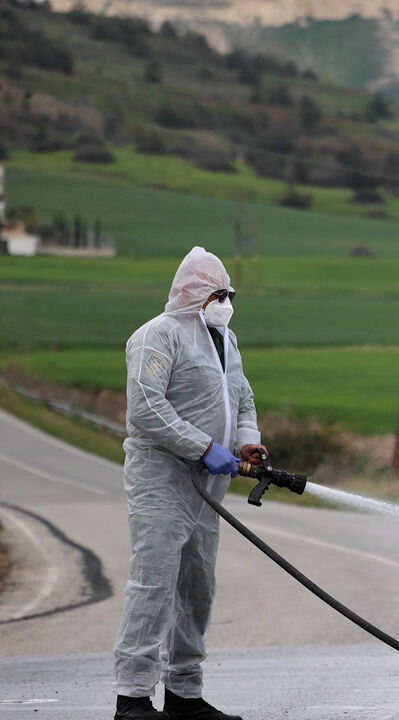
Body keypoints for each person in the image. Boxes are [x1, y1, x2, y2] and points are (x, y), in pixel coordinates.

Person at [113, 247, 265, 720]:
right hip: (162, 478)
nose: (225, 302)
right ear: (194, 292)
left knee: (197, 588)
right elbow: (146, 408)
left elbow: (242, 397)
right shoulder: (157, 337)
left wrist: (246, 442)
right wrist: (202, 446)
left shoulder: (226, 339)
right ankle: (133, 698)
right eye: (218, 293)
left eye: (229, 294)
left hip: (208, 487)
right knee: (154, 583)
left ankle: (184, 695)